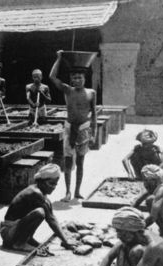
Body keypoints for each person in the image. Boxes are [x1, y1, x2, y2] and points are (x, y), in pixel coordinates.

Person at [49, 50, 97, 202]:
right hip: (70, 129)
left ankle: (77, 191)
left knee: (81, 162)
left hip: (84, 129)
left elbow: (94, 114)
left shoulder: (91, 93)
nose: (77, 80)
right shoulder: (67, 90)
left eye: (80, 77)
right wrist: (58, 58)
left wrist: (93, 134)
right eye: (74, 78)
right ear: (71, 79)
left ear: (85, 78)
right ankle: (68, 192)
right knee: (68, 162)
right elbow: (52, 77)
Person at [1, 163, 76, 252]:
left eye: (55, 184)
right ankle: (20, 243)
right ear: (41, 181)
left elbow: (52, 216)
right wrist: (66, 241)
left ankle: (28, 239)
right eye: (51, 184)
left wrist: (64, 240)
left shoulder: (41, 193)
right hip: (8, 232)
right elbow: (50, 219)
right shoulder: (35, 193)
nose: (53, 187)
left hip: (14, 230)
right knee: (39, 212)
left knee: (42, 211)